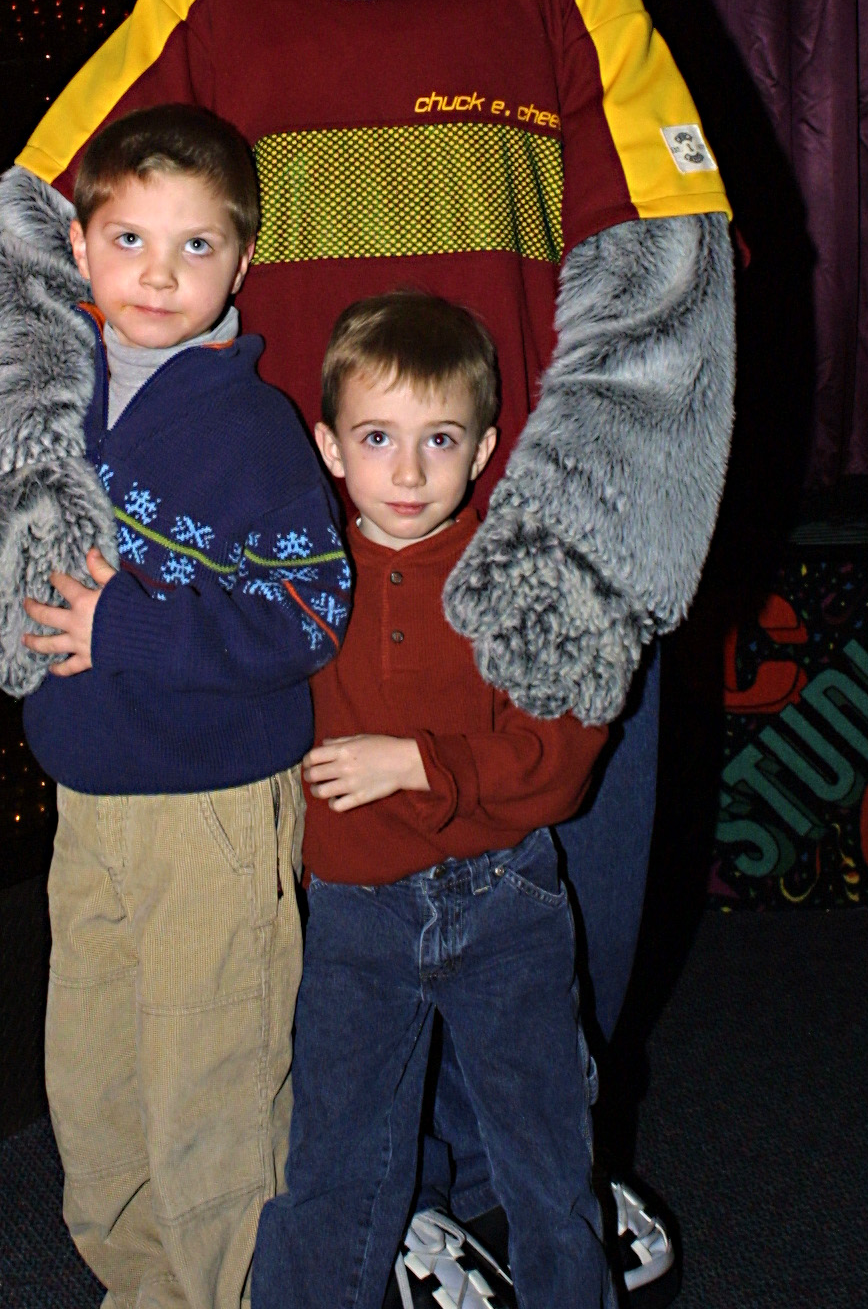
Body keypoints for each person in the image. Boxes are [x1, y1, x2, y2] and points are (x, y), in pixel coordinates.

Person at [0, 103, 351, 1309]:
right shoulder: (59, 399)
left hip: (209, 807)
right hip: (88, 795)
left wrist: (128, 626)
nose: (160, 275)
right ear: (79, 247)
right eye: (130, 240)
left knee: (213, 1087)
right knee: (98, 1079)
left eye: (195, 246)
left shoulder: (251, 426)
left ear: (242, 259)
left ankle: (237, 1293)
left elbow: (309, 613)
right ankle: (143, 1291)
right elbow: (32, 539)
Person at [253, 292, 612, 1309]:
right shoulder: (304, 577)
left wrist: (416, 763)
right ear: (330, 447)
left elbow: (562, 759)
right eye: (378, 438)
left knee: (547, 1165)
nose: (407, 474)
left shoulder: (520, 581)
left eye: (439, 440)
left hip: (506, 902)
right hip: (356, 913)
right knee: (332, 1167)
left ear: (485, 447)